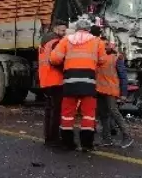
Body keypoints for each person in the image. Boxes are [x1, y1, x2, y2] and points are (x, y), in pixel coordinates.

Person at [51, 17, 109, 151]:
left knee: (67, 113)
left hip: (70, 81)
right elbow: (103, 61)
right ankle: (87, 144)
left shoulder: (66, 40)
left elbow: (54, 59)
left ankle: (67, 143)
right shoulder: (97, 42)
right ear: (89, 29)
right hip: (88, 82)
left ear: (76, 28)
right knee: (88, 114)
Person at [95, 38, 132, 147]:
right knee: (103, 115)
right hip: (100, 90)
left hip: (111, 90)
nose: (104, 46)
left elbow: (123, 77)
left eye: (106, 44)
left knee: (114, 112)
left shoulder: (116, 58)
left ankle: (127, 135)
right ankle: (107, 139)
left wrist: (124, 94)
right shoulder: (98, 58)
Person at [37, 23, 66, 146]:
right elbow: (57, 61)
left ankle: (48, 137)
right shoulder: (56, 42)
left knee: (49, 109)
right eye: (62, 30)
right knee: (56, 110)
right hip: (56, 80)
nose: (64, 33)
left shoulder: (44, 42)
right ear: (55, 29)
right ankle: (54, 138)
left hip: (45, 80)